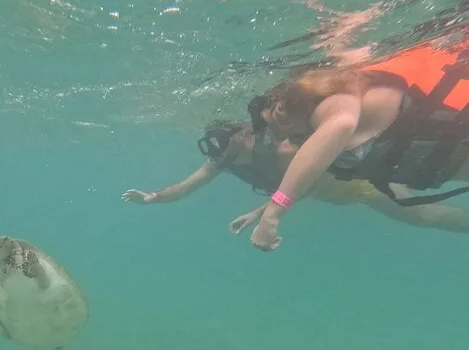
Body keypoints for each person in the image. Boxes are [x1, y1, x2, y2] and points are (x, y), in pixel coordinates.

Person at [242, 39, 469, 251]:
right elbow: (309, 174)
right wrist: (264, 211)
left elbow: (342, 124)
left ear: (281, 106)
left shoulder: (332, 100)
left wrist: (274, 213)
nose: (279, 137)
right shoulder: (314, 132)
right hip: (448, 159)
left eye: (272, 126)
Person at [121, 119, 469, 235]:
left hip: (360, 185)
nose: (221, 153)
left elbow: (299, 185)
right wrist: (154, 198)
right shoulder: (224, 161)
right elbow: (186, 187)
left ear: (243, 136)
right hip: (343, 193)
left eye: (226, 144)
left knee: (424, 214)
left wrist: (258, 213)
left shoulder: (283, 149)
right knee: (422, 213)